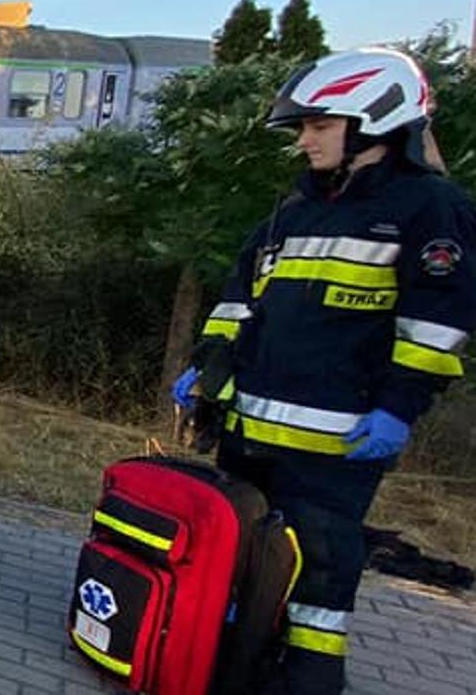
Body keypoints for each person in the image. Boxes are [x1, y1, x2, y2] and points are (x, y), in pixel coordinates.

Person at [174, 48, 476, 695]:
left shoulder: (429, 209)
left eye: (318, 125)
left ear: (374, 120)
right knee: (242, 559)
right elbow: (240, 296)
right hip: (250, 430)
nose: (304, 141)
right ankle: (233, 664)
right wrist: (208, 364)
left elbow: (436, 322)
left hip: (336, 443)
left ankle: (309, 679)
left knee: (320, 570)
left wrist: (399, 406)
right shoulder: (296, 210)